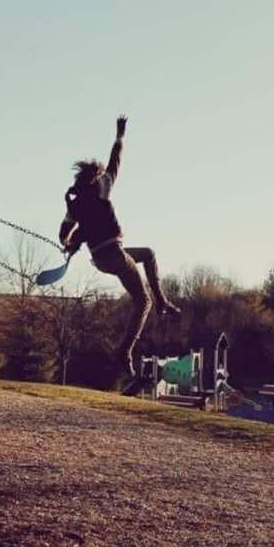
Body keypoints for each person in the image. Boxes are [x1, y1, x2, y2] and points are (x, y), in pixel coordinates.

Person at [59, 115, 179, 376]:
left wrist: (69, 244)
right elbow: (116, 161)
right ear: (97, 176)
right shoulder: (102, 187)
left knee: (148, 253)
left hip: (104, 258)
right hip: (113, 254)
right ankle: (124, 351)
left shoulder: (75, 203)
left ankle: (163, 302)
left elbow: (65, 231)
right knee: (142, 301)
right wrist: (120, 136)